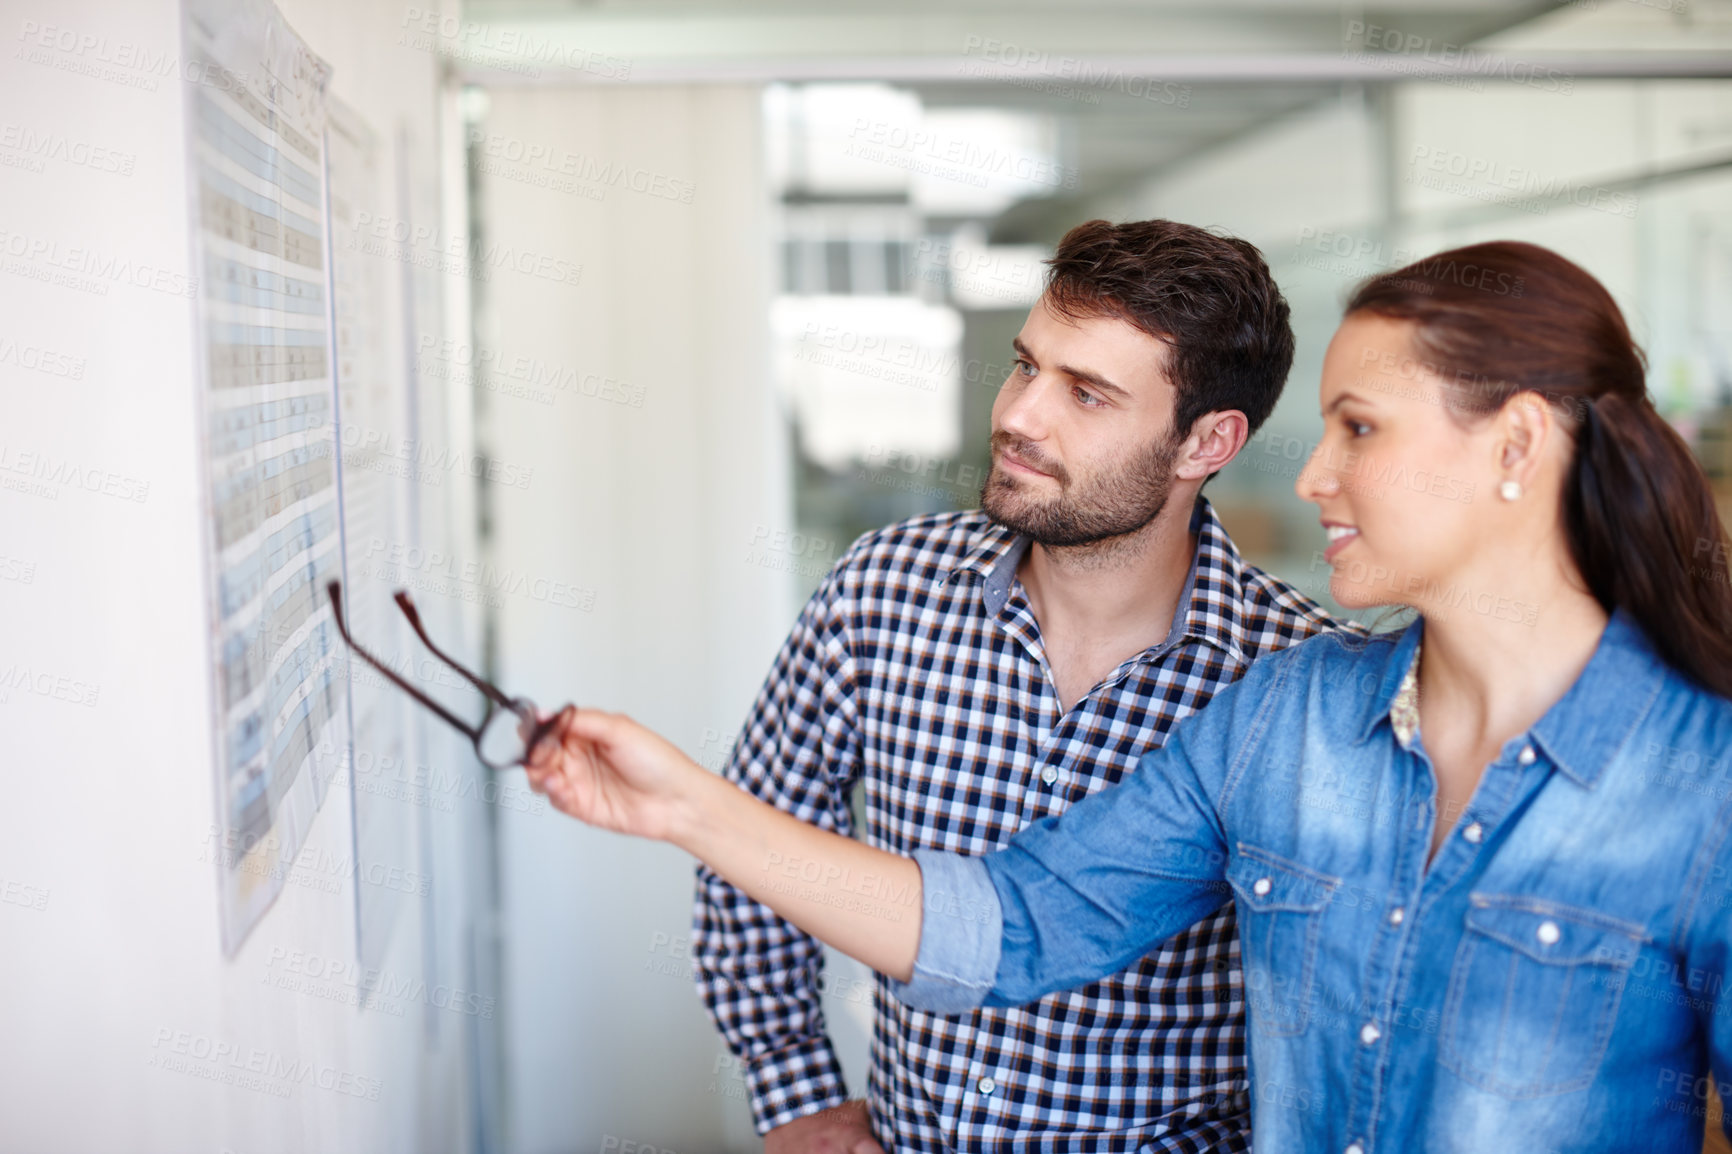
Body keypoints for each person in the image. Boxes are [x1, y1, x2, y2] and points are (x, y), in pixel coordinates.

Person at [530, 238, 1732, 1152]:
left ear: (1516, 446)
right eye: (1025, 369)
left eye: (1357, 427)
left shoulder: (1701, 784)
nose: (1312, 473)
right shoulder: (1291, 716)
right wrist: (684, 805)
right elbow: (1010, 924)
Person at [680, 219, 1352, 1153]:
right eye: (1027, 366)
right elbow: (753, 847)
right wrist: (796, 1094)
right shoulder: (886, 589)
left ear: (1207, 442)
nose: (1021, 416)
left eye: (1087, 394)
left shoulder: (1295, 680)